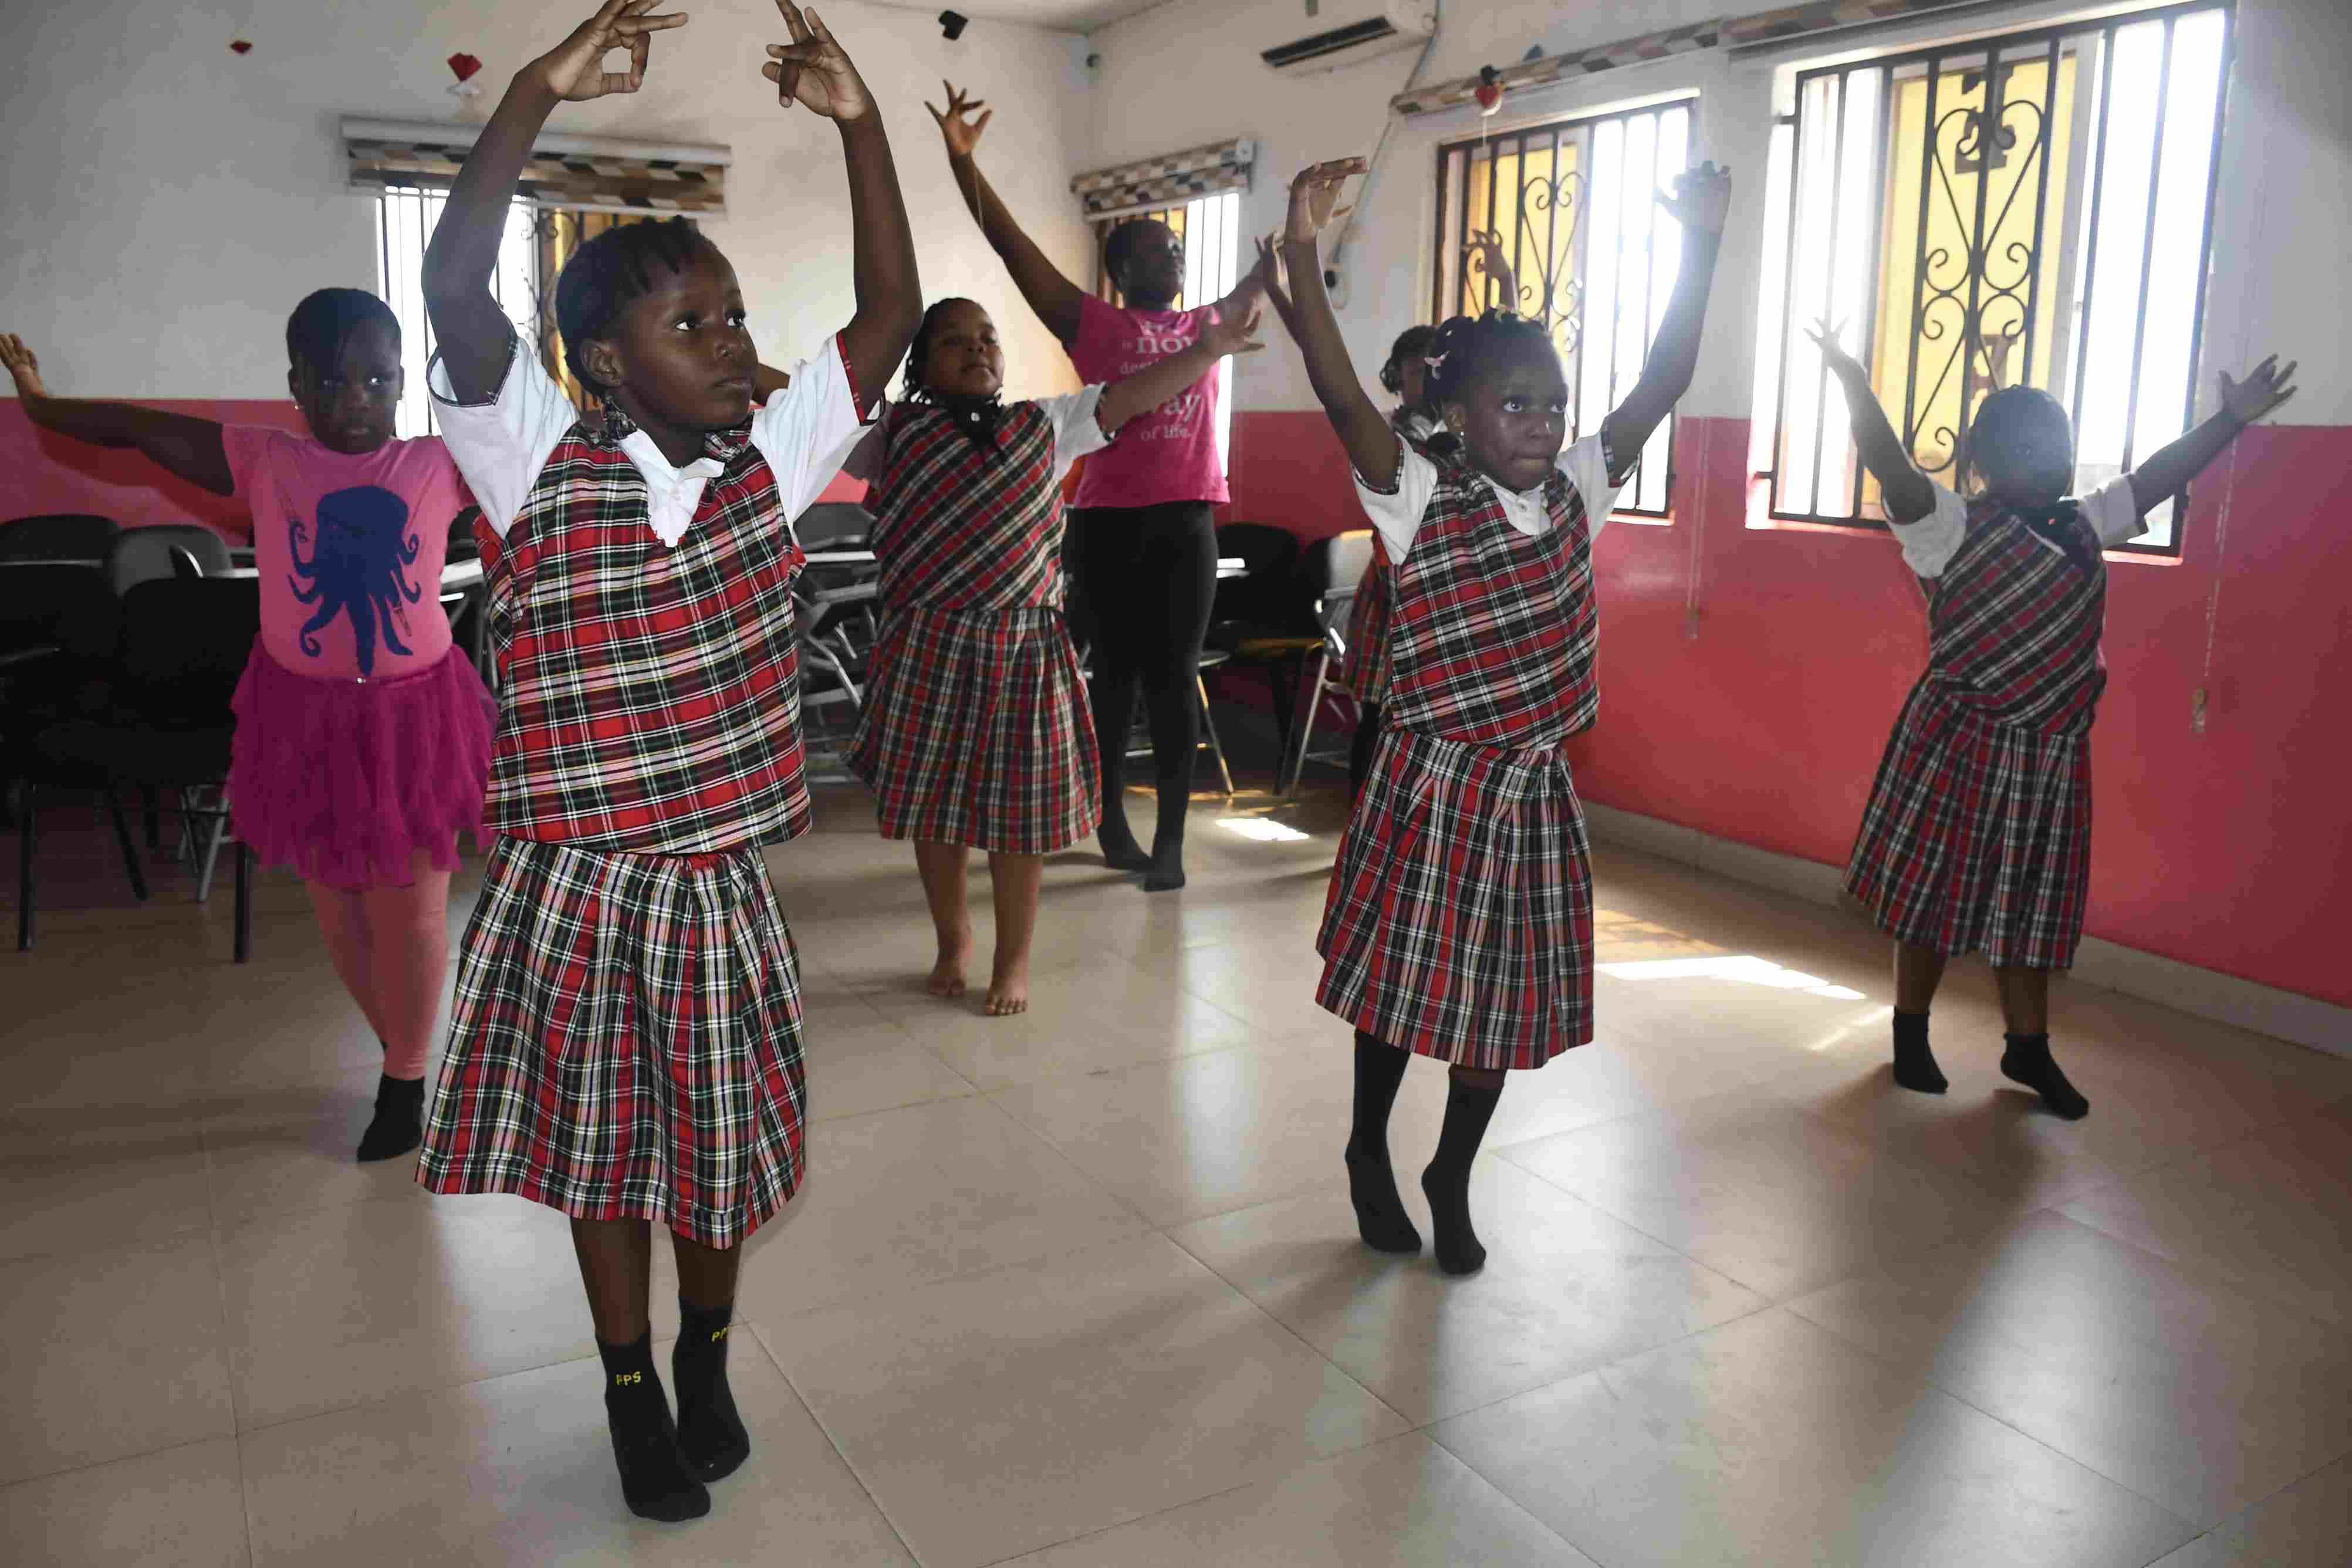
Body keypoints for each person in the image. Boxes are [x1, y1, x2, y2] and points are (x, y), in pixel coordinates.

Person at [412, 0, 918, 1522]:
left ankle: (706, 1354)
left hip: (713, 893)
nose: (732, 347)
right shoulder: (528, 458)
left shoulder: (766, 463)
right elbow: (452, 281)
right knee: (603, 1160)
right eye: (689, 325)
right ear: (599, 363)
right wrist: (536, 86)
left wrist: (862, 121)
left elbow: (888, 309)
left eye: (735, 318)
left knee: (715, 1151)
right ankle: (627, 1383)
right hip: (577, 893)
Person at [1267, 154, 1730, 1276]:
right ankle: (1369, 1142)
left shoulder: (1578, 485)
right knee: (1402, 987)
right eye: (1512, 402)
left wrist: (1699, 245)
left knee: (1498, 1009)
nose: (1538, 420)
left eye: (1551, 401)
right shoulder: (1418, 492)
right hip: (1431, 785)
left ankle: (1451, 1172)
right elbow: (1337, 394)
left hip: (1529, 792)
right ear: (1457, 412)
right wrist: (1302, 256)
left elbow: (1663, 377)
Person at [2, 302, 493, 1165]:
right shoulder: (264, 460)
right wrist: (39, 402)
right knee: (337, 911)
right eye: (332, 381)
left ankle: (408, 1078)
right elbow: (137, 431)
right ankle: (405, 1055)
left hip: (412, 718)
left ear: (404, 381)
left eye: (379, 380)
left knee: (413, 909)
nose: (356, 401)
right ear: (295, 385)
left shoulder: (436, 463)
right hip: (300, 715)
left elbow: (558, 452)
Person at [1814, 321, 2298, 1121]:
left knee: (2032, 903)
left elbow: (2161, 474)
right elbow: (1889, 463)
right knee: (1935, 894)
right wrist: (1852, 379)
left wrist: (2231, 419)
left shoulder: (2084, 522)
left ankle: (2026, 1046)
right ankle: (1909, 1032)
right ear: (1984, 465)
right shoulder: (1948, 529)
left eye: (2061, 443)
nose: (2054, 459)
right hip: (1959, 747)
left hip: (2049, 756)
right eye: (2034, 448)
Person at [841, 296, 1265, 1013]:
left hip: (1023, 650)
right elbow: (806, 404)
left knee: (1020, 818)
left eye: (988, 338)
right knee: (931, 811)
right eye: (953, 341)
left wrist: (1207, 352)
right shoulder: (892, 434)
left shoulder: (1045, 425)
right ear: (920, 362)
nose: (977, 350)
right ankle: (953, 937)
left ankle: (1012, 962)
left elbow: (1132, 395)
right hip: (926, 646)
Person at [931, 82, 1269, 890]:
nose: (1174, 258)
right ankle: (1112, 821)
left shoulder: (1207, 330)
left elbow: (1270, 276)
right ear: (1120, 269)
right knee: (1112, 680)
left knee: (1174, 677)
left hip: (1189, 521)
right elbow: (1016, 253)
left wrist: (1299, 226)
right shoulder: (1097, 325)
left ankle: (1173, 844)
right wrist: (962, 164)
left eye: (1178, 250)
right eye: (1155, 250)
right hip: (1111, 526)